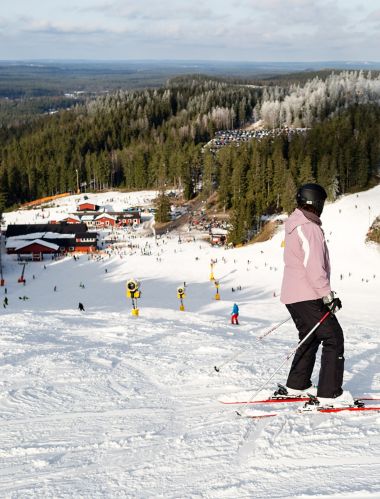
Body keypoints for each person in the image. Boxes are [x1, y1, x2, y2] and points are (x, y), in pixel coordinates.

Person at [278, 183, 351, 409]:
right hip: (308, 294)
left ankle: (297, 385)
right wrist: (327, 295)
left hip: (294, 295)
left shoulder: (295, 224)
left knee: (309, 337)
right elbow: (314, 266)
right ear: (316, 203)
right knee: (333, 338)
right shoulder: (308, 228)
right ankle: (329, 394)